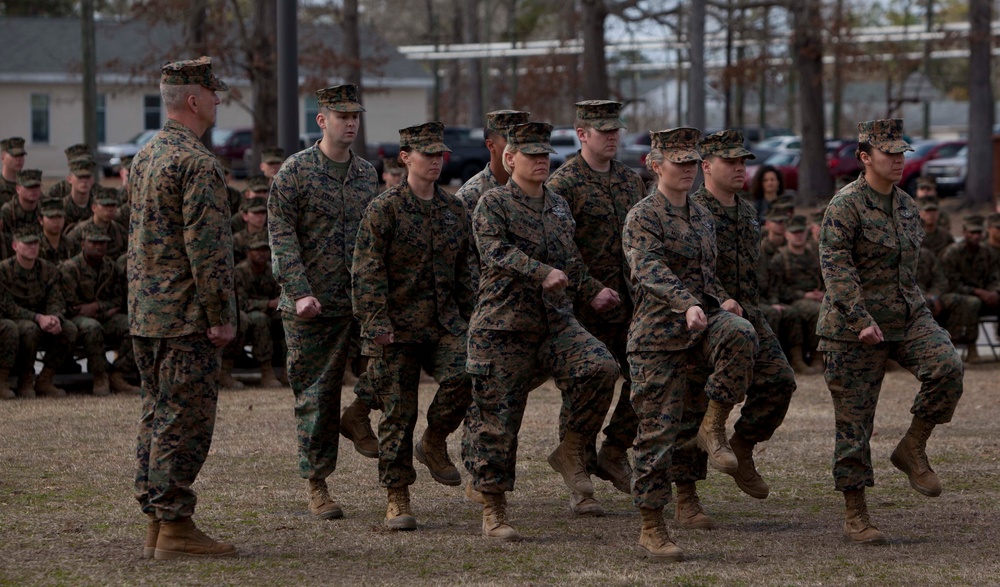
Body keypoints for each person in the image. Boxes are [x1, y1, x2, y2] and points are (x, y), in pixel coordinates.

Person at [464, 121, 619, 541]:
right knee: (499, 421)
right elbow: (495, 252)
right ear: (509, 158)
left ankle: (571, 449)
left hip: (555, 322)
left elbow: (570, 261)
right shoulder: (492, 204)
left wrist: (594, 291)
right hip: (504, 327)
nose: (539, 162)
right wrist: (540, 272)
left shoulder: (557, 206)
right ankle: (494, 508)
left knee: (600, 367)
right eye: (530, 155)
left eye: (544, 155)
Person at [818, 118, 964, 545]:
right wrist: (860, 319)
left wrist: (919, 312)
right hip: (853, 327)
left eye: (902, 153)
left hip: (906, 316)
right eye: (889, 153)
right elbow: (836, 268)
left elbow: (907, 271)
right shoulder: (844, 206)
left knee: (948, 367)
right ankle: (855, 512)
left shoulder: (906, 204)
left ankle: (912, 446)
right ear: (865, 157)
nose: (899, 160)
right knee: (855, 423)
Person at [622, 127, 758, 562]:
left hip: (698, 326)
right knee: (656, 434)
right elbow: (650, 269)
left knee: (741, 333)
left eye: (688, 163)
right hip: (656, 339)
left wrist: (720, 298)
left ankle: (713, 425)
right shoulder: (642, 216)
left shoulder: (700, 216)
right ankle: (651, 524)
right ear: (656, 166)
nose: (684, 170)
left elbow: (703, 273)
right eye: (676, 163)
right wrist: (686, 303)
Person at [128, 56, 238, 560]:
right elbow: (208, 251)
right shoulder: (196, 163)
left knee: (156, 415)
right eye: (213, 93)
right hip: (185, 317)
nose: (218, 100)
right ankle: (175, 527)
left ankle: (157, 522)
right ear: (193, 100)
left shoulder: (146, 156)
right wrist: (220, 316)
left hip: (146, 314)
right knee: (184, 421)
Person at [352, 121, 475, 530]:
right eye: (427, 155)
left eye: (440, 155)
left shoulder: (454, 209)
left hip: (444, 325)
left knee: (468, 375)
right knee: (397, 415)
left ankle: (435, 440)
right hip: (396, 329)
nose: (436, 162)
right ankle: (397, 495)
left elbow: (465, 272)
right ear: (406, 158)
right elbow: (367, 272)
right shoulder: (383, 209)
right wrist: (376, 324)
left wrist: (472, 319)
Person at [268, 83, 379, 520]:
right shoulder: (295, 172)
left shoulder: (367, 174)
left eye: (355, 116)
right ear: (322, 120)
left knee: (388, 371)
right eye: (342, 116)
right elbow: (281, 238)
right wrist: (299, 292)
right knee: (317, 396)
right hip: (312, 306)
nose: (350, 123)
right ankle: (317, 483)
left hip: (360, 302)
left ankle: (358, 414)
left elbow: (375, 240)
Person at [677, 129, 795, 524]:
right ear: (706, 167)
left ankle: (742, 447)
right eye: (731, 161)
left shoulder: (746, 211)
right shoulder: (691, 210)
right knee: (692, 403)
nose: (740, 168)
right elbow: (686, 272)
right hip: (706, 315)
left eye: (743, 161)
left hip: (750, 314)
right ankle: (686, 498)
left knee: (779, 381)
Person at [545, 99, 641, 511]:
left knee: (645, 378)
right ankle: (579, 478)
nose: (613, 138)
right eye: (604, 132)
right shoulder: (563, 184)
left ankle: (615, 451)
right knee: (587, 388)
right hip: (584, 306)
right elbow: (561, 248)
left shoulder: (632, 181)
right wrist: (589, 289)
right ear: (581, 134)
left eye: (616, 131)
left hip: (630, 302)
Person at [59, 223, 138, 395]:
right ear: (83, 244)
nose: (98, 246)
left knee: (134, 325)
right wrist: (94, 310)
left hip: (105, 316)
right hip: (77, 319)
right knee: (92, 328)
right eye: (93, 242)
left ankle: (118, 373)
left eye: (102, 243)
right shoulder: (70, 268)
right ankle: (100, 376)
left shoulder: (111, 268)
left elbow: (118, 299)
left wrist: (97, 307)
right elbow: (69, 305)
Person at [0, 225, 78, 398]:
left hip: (42, 320)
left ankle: (45, 379)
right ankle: (21, 380)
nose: (32, 247)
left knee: (69, 329)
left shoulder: (48, 269)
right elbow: (6, 306)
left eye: (35, 243)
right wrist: (37, 318)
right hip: (14, 319)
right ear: (15, 246)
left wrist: (55, 318)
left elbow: (56, 298)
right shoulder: (4, 270)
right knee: (28, 329)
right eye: (27, 243)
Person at [939, 214, 1000, 362]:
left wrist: (994, 292)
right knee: (971, 302)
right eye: (972, 233)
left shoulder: (987, 252)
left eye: (979, 233)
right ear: (965, 233)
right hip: (955, 294)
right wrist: (978, 292)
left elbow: (995, 276)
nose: (976, 236)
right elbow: (950, 283)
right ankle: (968, 346)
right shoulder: (952, 253)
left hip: (983, 295)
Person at [769, 214, 825, 371]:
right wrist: (804, 295)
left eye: (801, 232)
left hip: (817, 296)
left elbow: (824, 278)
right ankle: (810, 358)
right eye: (794, 233)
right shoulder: (781, 258)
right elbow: (777, 288)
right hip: (794, 299)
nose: (798, 236)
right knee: (818, 312)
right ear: (787, 234)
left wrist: (822, 293)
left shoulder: (814, 255)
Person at [455, 110, 530, 218]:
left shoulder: (535, 189)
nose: (520, 147)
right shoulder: (470, 196)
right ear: (491, 145)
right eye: (511, 141)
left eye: (525, 141)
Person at [234, 233, 284, 387]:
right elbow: (240, 302)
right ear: (249, 252)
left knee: (289, 319)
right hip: (247, 313)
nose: (262, 254)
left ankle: (290, 371)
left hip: (270, 312)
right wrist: (267, 304)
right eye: (257, 250)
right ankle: (266, 372)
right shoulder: (239, 272)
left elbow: (279, 294)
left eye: (265, 250)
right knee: (259, 319)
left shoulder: (272, 270)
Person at [65, 192, 128, 259]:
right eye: (105, 205)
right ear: (94, 208)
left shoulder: (120, 231)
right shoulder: (80, 230)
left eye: (113, 206)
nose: (110, 209)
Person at [1, 169, 43, 239]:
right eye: (29, 187)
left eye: (37, 186)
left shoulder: (44, 210)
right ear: (18, 189)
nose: (33, 190)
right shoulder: (8, 212)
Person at [0, 137, 26, 206]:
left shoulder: (28, 187)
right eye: (15, 155)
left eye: (21, 155)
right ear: (3, 158)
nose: (19, 159)